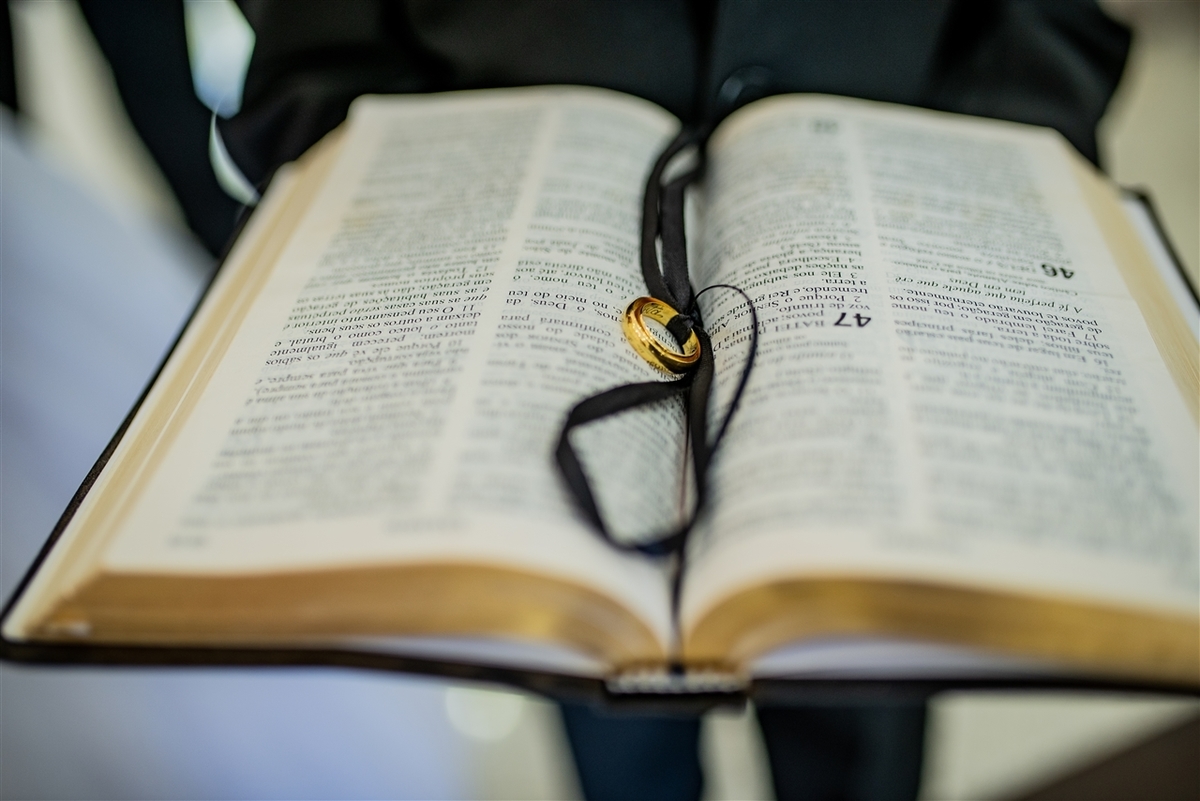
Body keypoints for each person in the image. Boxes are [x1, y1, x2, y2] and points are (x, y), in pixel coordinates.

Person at [76, 2, 1132, 799]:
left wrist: (997, 169)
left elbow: (1041, 33)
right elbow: (320, 49)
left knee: (860, 712)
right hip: (512, 272)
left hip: (889, 255)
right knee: (615, 722)